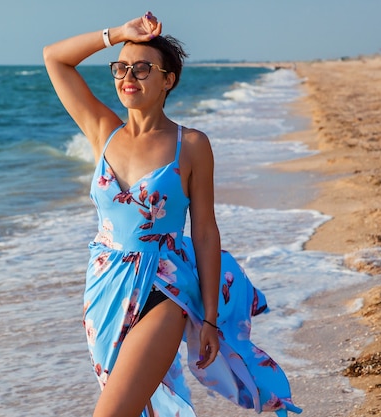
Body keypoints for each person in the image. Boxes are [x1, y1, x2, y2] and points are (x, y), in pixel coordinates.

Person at [43, 11, 302, 417]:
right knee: (138, 407)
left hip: (164, 289)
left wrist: (211, 320)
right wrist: (118, 34)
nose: (129, 75)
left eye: (143, 68)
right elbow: (54, 58)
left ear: (168, 80)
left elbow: (204, 233)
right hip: (105, 290)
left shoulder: (192, 145)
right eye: (122, 67)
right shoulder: (103, 132)